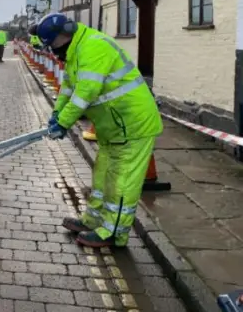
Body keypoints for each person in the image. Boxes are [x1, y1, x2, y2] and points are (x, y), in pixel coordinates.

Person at [34, 13, 163, 248]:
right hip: (112, 127)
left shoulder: (93, 47)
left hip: (132, 125)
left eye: (52, 44)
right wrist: (57, 114)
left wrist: (64, 123)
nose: (52, 51)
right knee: (102, 176)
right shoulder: (75, 51)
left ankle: (113, 233)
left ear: (65, 34)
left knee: (121, 182)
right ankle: (92, 221)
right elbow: (68, 89)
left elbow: (86, 92)